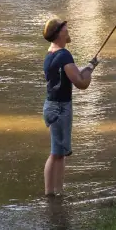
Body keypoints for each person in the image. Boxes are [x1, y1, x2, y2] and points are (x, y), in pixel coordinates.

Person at [43, 18, 98, 197]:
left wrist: (89, 66)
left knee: (58, 153)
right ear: (59, 32)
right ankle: (52, 194)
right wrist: (89, 72)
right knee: (56, 153)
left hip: (51, 106)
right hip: (60, 108)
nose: (68, 28)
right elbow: (81, 83)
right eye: (65, 26)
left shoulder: (51, 53)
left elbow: (70, 74)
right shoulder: (65, 55)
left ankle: (56, 193)